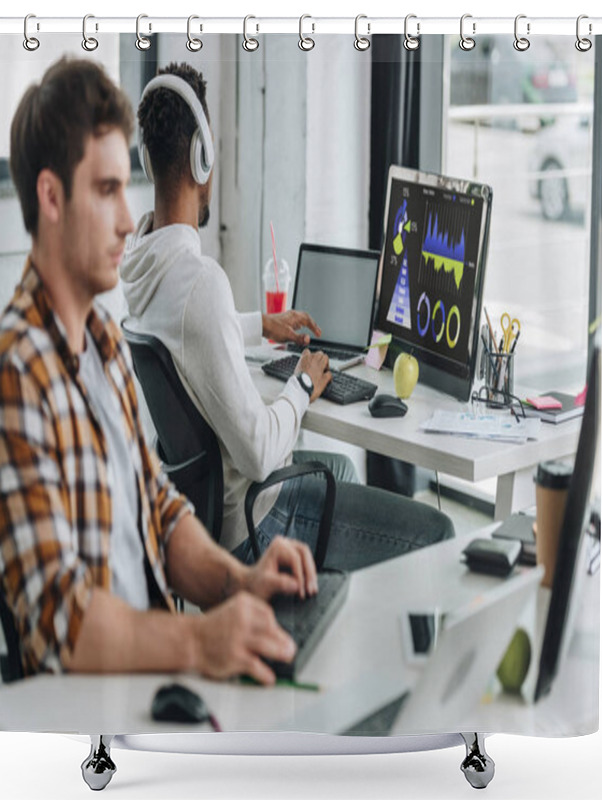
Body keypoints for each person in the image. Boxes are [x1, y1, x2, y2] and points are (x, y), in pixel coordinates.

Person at [0, 58, 317, 686]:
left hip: (152, 672)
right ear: (51, 197)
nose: (130, 221)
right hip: (97, 710)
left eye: (125, 187)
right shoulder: (15, 381)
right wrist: (202, 638)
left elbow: (159, 510)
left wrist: (241, 581)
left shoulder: (99, 340)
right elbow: (66, 626)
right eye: (105, 191)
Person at [120, 63, 454, 571]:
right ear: (202, 158)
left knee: (338, 467)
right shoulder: (200, 282)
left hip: (198, 517)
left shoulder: (143, 268)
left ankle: (324, 620)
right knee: (438, 530)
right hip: (252, 525)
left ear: (148, 159)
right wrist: (300, 386)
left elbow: (191, 329)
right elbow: (257, 453)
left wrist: (259, 324)